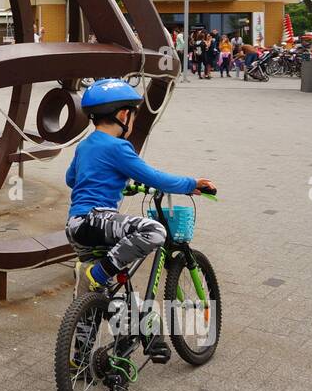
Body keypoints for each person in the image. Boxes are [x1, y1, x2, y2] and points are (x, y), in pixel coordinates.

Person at [66, 80, 214, 362]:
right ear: (124, 116)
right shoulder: (118, 147)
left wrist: (117, 184)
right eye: (132, 114)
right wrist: (191, 183)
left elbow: (71, 179)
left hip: (76, 226)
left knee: (109, 290)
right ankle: (95, 276)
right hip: (95, 220)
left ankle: (80, 359)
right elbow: (155, 178)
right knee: (153, 231)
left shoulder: (86, 146)